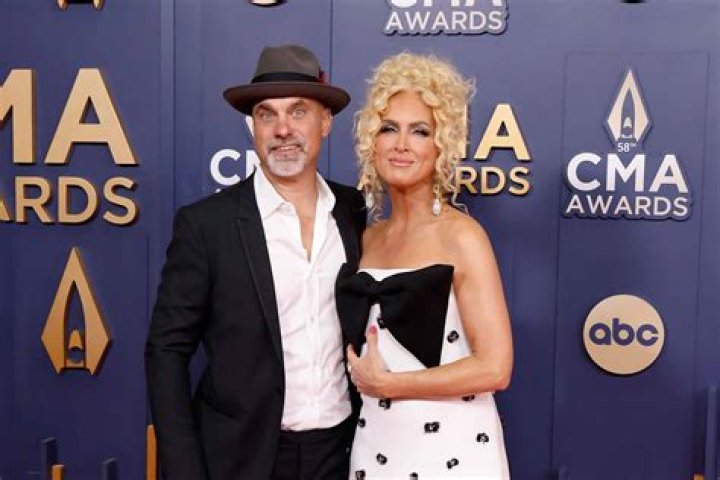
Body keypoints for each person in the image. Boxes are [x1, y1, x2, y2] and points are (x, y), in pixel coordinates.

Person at [145, 44, 366, 480]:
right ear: (253, 127)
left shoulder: (352, 210)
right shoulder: (206, 225)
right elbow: (166, 351)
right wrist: (183, 468)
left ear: (325, 122)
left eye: (298, 111)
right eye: (267, 114)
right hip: (241, 458)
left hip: (341, 453)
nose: (283, 129)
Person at [336, 52, 513, 478]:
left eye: (420, 131)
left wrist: (390, 385)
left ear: (441, 145)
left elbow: (495, 367)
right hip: (375, 446)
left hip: (454, 451)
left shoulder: (461, 236)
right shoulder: (367, 238)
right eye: (388, 128)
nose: (401, 144)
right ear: (371, 141)